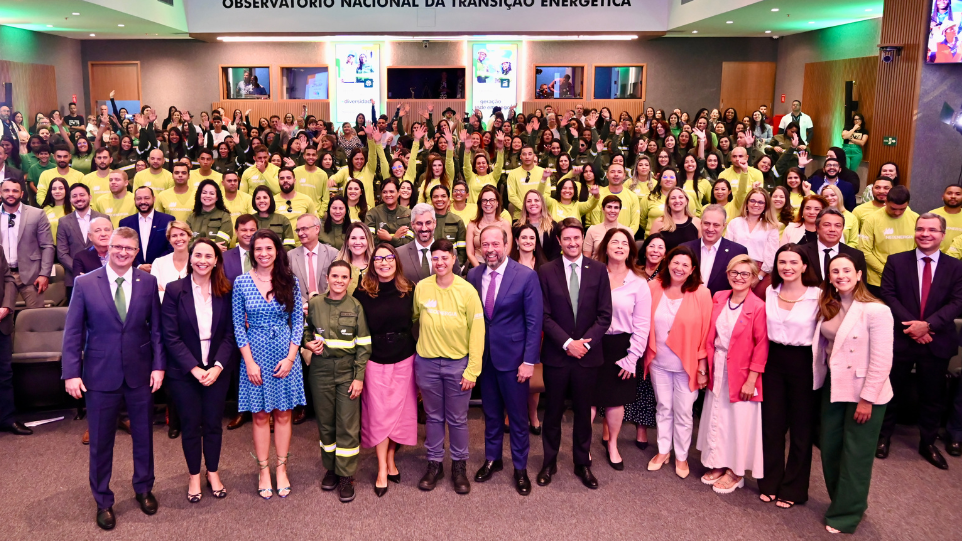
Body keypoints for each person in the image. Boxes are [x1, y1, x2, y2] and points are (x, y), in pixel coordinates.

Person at [62, 227, 165, 530]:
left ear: (136, 253)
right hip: (99, 375)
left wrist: (159, 367)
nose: (122, 253)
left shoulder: (147, 282)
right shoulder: (84, 283)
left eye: (129, 249)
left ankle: (144, 488)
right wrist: (70, 373)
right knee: (101, 442)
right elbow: (73, 332)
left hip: (140, 374)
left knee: (144, 436)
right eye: (117, 247)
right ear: (108, 248)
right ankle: (103, 500)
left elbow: (156, 330)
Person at [814, 253, 893, 534]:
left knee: (856, 455)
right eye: (835, 271)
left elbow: (882, 360)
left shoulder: (876, 310)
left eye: (846, 270)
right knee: (831, 449)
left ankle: (846, 515)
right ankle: (847, 501)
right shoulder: (829, 305)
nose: (840, 275)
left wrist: (867, 399)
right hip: (834, 387)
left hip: (864, 393)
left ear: (859, 274)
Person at [878, 213, 962, 469]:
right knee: (890, 392)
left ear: (942, 235)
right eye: (920, 229)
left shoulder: (956, 267)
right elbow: (888, 296)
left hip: (937, 339)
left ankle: (927, 442)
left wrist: (929, 326)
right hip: (902, 338)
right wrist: (914, 327)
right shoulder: (896, 261)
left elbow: (958, 302)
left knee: (933, 395)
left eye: (932, 230)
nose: (925, 234)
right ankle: (882, 438)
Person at [537, 218, 612, 490]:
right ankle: (549, 461)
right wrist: (568, 342)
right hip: (557, 355)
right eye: (566, 238)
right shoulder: (546, 271)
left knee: (583, 413)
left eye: (576, 238)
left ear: (583, 239)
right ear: (559, 241)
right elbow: (543, 315)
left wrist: (584, 344)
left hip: (588, 357)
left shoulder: (599, 270)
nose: (572, 243)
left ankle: (582, 463)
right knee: (553, 412)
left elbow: (605, 315)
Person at [468, 225, 543, 495]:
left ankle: (520, 468)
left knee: (519, 418)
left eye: (495, 244)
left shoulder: (525, 276)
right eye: (485, 245)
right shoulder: (473, 274)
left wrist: (529, 361)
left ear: (506, 244)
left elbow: (534, 323)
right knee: (490, 415)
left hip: (514, 362)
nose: (490, 250)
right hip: (485, 360)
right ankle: (493, 459)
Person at [160, 238, 236, 504]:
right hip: (184, 372)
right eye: (198, 255)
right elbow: (170, 336)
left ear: (216, 260)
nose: (203, 260)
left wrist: (216, 367)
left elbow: (230, 334)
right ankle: (194, 475)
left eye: (209, 256)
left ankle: (212, 472)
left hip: (217, 370)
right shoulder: (173, 290)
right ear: (190, 258)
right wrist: (194, 368)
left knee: (214, 424)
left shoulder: (226, 291)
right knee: (191, 425)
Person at [233, 229, 305, 500]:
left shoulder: (290, 281)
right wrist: (249, 362)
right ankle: (263, 471)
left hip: (285, 354)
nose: (263, 253)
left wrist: (290, 358)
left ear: (277, 251)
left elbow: (298, 321)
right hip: (255, 356)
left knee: (284, 414)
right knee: (261, 415)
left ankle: (281, 468)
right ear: (252, 252)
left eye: (268, 248)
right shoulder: (241, 282)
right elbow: (239, 326)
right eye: (258, 249)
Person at [412, 238, 485, 494]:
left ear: (454, 259)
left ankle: (458, 465)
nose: (440, 262)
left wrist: (472, 369)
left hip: (458, 366)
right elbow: (414, 319)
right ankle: (434, 464)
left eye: (445, 257)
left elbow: (477, 331)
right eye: (435, 258)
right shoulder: (422, 287)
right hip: (427, 364)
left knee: (457, 419)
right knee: (432, 417)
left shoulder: (467, 291)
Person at [696, 254, 767, 494]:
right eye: (734, 273)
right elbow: (708, 334)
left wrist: (751, 380)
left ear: (754, 278)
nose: (739, 278)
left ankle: (736, 472)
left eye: (745, 274)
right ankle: (718, 462)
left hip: (743, 372)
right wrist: (704, 367)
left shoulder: (758, 306)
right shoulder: (719, 297)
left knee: (738, 422)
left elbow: (761, 345)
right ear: (727, 274)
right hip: (717, 364)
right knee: (718, 415)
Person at [759, 244, 822, 508]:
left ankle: (794, 488)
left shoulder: (818, 295)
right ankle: (770, 481)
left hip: (803, 363)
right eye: (782, 262)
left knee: (800, 429)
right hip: (773, 361)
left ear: (805, 266)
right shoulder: (770, 292)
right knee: (771, 426)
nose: (787, 267)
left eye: (793, 262)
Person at [303, 260, 371, 503]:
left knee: (347, 426)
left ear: (350, 280)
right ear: (327, 278)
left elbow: (364, 346)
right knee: (326, 424)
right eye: (335, 276)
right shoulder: (315, 303)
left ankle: (346, 476)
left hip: (346, 373)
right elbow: (305, 330)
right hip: (320, 372)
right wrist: (307, 342)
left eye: (344, 277)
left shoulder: (356, 306)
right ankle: (331, 468)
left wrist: (359, 378)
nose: (339, 281)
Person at [353, 243, 418, 497]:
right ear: (372, 263)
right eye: (378, 259)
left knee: (400, 414)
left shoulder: (409, 289)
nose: (384, 262)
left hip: (404, 357)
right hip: (375, 359)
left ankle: (391, 458)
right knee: (379, 416)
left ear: (396, 261)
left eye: (389, 258)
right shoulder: (362, 293)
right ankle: (382, 468)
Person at [644, 245, 712, 479]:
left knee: (684, 411)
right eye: (675, 262)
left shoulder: (702, 293)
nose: (679, 268)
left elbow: (706, 332)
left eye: (685, 264)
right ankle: (664, 451)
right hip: (658, 362)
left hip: (687, 364)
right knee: (663, 407)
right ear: (667, 262)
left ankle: (681, 455)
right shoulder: (653, 287)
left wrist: (703, 367)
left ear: (693, 269)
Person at [591, 228, 651, 470]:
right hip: (593, 343)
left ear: (630, 250)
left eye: (624, 243)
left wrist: (632, 358)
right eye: (614, 242)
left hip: (621, 347)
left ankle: (613, 444)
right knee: (589, 400)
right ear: (605, 247)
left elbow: (642, 325)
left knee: (616, 401)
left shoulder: (638, 283)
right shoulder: (593, 276)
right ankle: (583, 447)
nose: (619, 246)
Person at [1, 178, 54, 308]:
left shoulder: (37, 214)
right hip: (3, 276)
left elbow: (47, 245)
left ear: (22, 194)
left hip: (32, 276)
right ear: (0, 193)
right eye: (6, 190)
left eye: (15, 191)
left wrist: (44, 274)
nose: (11, 194)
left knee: (37, 318)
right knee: (4, 321)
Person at [858, 185, 918, 298]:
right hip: (877, 281)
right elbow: (864, 250)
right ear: (886, 201)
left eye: (902, 209)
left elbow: (919, 249)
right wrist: (887, 271)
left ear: (908, 204)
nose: (897, 213)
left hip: (906, 278)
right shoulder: (872, 219)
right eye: (893, 208)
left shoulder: (915, 218)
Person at [681, 204, 749, 296]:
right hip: (687, 303)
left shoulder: (737, 252)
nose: (710, 229)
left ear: (724, 226)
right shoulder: (685, 248)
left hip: (720, 306)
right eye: (707, 223)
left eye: (716, 225)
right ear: (701, 223)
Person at [724, 188, 779, 297]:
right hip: (736, 268)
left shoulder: (771, 227)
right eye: (753, 201)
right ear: (747, 203)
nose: (756, 205)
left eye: (760, 202)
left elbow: (772, 256)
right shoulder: (735, 223)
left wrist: (759, 277)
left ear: (765, 205)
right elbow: (728, 249)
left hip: (761, 271)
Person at [57, 183, 107, 292]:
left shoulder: (103, 218)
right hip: (75, 278)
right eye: (74, 196)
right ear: (70, 200)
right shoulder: (64, 222)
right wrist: (78, 268)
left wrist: (93, 270)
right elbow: (62, 253)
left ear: (90, 197)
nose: (78, 199)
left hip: (102, 276)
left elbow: (109, 246)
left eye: (82, 195)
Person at [797, 208, 867, 283]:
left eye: (838, 226)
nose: (832, 229)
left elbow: (861, 288)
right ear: (817, 228)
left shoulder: (856, 255)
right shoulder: (802, 252)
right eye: (827, 225)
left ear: (842, 229)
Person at [398, 203, 460, 283]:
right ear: (412, 225)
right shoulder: (400, 254)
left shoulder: (450, 252)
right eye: (419, 223)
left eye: (428, 223)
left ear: (435, 223)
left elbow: (458, 282)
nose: (424, 228)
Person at [119, 187, 174, 273]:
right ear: (134, 200)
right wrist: (138, 265)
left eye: (147, 198)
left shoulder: (167, 220)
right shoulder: (125, 223)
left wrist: (156, 264)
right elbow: (123, 248)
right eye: (139, 198)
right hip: (133, 271)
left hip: (161, 271)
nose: (143, 202)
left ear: (154, 199)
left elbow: (171, 247)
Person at [0, 247, 23, 435]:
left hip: (1, 320)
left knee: (4, 374)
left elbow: (8, 279)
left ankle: (7, 418)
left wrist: (7, 305)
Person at [150, 221, 192, 304]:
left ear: (189, 237)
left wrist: (165, 292)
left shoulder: (197, 262)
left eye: (182, 234)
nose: (179, 239)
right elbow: (155, 295)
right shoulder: (159, 263)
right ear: (169, 239)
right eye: (174, 236)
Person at [650, 187, 702, 252]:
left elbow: (702, 249)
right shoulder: (659, 222)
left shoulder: (697, 222)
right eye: (673, 198)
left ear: (686, 201)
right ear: (668, 203)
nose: (677, 201)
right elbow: (651, 248)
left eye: (680, 197)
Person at [365, 178, 412, 248]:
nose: (388, 195)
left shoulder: (408, 214)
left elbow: (411, 242)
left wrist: (389, 238)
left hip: (403, 255)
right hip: (379, 255)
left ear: (398, 193)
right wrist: (395, 237)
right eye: (384, 192)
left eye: (391, 191)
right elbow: (369, 241)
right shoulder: (372, 214)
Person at [186, 180, 233, 250]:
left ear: (217, 197)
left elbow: (222, 244)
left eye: (212, 193)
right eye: (204, 193)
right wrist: (213, 246)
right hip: (194, 258)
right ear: (199, 195)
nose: (207, 196)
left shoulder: (225, 217)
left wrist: (197, 246)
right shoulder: (191, 217)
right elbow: (187, 243)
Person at [583, 195, 630, 259]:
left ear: (619, 210)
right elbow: (586, 257)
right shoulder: (592, 230)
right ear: (603, 209)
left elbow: (630, 258)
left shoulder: (628, 231)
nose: (612, 210)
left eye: (616, 208)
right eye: (609, 207)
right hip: (596, 267)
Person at [251, 185, 296, 250]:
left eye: (265, 197)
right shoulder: (249, 220)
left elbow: (290, 246)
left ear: (270, 199)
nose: (261, 200)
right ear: (254, 201)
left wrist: (275, 253)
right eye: (258, 198)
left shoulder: (282, 220)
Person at [930, 184, 962, 253]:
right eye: (949, 193)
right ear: (943, 197)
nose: (953, 196)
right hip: (934, 259)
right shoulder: (932, 214)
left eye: (958, 194)